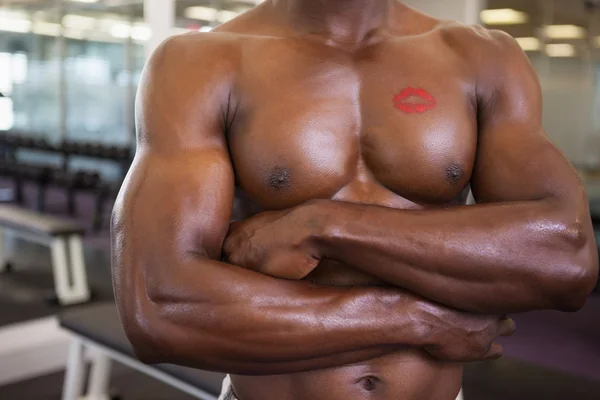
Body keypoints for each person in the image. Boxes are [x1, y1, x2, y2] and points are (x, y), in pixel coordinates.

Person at [111, 1, 600, 399]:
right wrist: (418, 321)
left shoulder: (480, 57)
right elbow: (159, 305)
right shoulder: (200, 63)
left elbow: (566, 256)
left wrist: (322, 225)